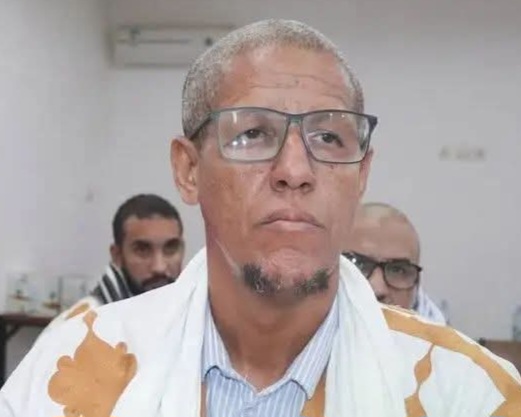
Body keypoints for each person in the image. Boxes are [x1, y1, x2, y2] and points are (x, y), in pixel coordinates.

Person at [1, 19, 520, 417]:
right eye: (252, 134)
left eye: (328, 137)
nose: (295, 171)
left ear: (361, 174)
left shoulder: (468, 394)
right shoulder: (68, 375)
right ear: (188, 170)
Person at [42, 193, 185, 334]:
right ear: (117, 255)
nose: (159, 267)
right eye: (142, 250)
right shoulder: (76, 329)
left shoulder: (187, 317)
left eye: (171, 248)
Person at [343, 202, 447, 324]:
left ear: (416, 288)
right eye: (359, 265)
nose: (378, 290)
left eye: (398, 270)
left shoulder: (439, 332)